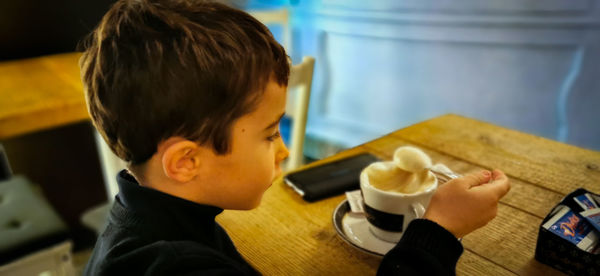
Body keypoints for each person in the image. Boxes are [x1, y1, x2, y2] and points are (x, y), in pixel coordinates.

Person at [80, 0, 511, 275]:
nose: (285, 149)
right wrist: (438, 230)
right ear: (186, 162)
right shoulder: (177, 268)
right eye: (270, 135)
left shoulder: (150, 217)